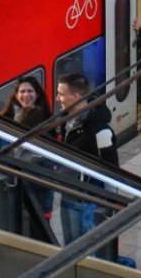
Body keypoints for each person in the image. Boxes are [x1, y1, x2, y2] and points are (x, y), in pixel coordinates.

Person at [55, 72, 119, 244]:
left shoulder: (101, 131)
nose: (57, 99)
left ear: (75, 97)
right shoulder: (65, 121)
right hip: (69, 192)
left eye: (61, 94)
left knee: (84, 247)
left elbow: (112, 170)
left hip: (87, 200)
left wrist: (110, 205)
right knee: (69, 244)